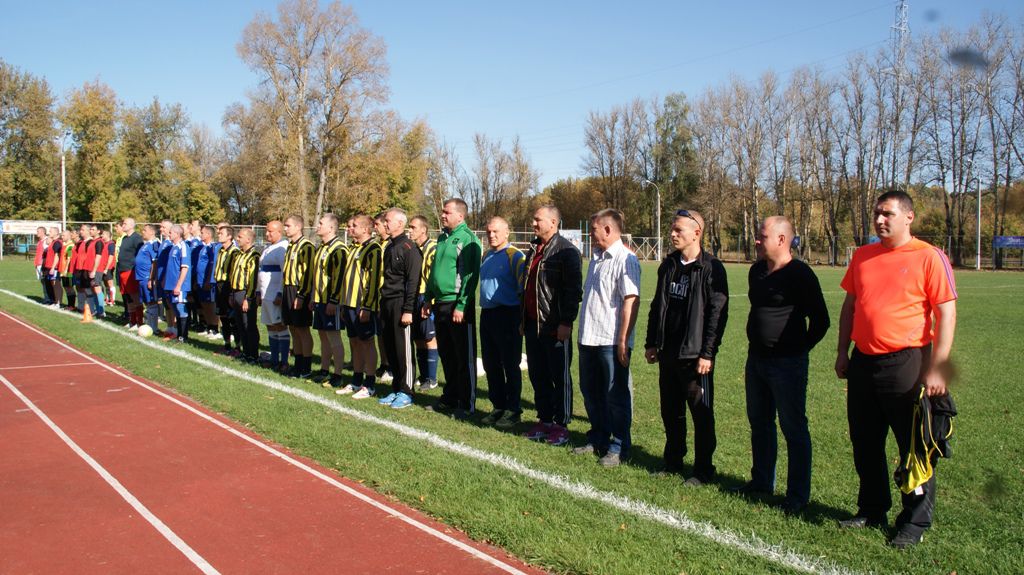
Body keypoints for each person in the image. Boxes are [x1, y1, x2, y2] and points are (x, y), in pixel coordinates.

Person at [835, 190, 958, 549]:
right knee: (865, 442)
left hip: (907, 362)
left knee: (913, 445)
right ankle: (872, 509)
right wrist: (843, 351)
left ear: (908, 217)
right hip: (863, 362)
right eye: (877, 213)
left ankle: (914, 520)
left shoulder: (928, 257)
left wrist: (939, 366)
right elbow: (850, 306)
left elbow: (946, 312)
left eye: (887, 214)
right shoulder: (863, 255)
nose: (879, 220)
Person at [733, 216, 830, 514]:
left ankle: (797, 495)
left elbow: (821, 321)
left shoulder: (800, 274)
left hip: (787, 365)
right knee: (760, 423)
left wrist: (798, 349)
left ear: (781, 240)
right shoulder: (756, 271)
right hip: (756, 361)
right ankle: (762, 481)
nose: (757, 240)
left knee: (793, 427)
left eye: (762, 236)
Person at [644, 209, 729, 486]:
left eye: (678, 229)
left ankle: (703, 470)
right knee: (670, 412)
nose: (672, 234)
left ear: (696, 233)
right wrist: (651, 342)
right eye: (672, 228)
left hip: (694, 357)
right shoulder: (668, 265)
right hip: (668, 352)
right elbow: (657, 305)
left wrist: (708, 352)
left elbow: (717, 314)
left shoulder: (711, 267)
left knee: (701, 415)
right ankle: (673, 462)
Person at [574, 209, 641, 466]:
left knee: (616, 396)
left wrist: (623, 340)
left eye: (593, 230)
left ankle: (619, 446)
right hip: (588, 338)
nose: (591, 235)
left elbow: (630, 301)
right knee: (591, 393)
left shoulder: (626, 259)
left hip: (611, 341)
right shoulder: (596, 258)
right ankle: (598, 437)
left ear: (608, 229)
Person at [521, 205, 582, 445]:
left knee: (560, 377)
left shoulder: (567, 251)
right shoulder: (533, 249)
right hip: (533, 325)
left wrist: (566, 321)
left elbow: (573, 291)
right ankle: (544, 420)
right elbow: (527, 288)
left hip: (554, 326)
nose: (533, 223)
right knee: (538, 376)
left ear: (553, 223)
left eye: (538, 220)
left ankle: (561, 424)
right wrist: (523, 319)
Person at [422, 198, 482, 420]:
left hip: (457, 304)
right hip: (440, 304)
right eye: (443, 212)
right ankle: (451, 397)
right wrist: (428, 298)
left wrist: (462, 305)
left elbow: (470, 276)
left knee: (463, 356)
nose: (443, 215)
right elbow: (434, 272)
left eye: (447, 212)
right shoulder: (442, 237)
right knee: (447, 354)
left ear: (460, 216)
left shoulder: (467, 239)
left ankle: (467, 403)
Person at [478, 216, 526, 428]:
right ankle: (498, 406)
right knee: (490, 364)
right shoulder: (487, 255)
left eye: (496, 231)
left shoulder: (515, 256)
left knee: (510, 364)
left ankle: (513, 409)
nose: (491, 235)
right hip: (487, 314)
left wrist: (522, 319)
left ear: (507, 232)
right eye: (489, 231)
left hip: (508, 315)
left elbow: (523, 291)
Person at [376, 208, 422, 409]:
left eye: (388, 221)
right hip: (386, 302)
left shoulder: (409, 248)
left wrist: (408, 309)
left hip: (401, 303)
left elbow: (413, 281)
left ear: (400, 224)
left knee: (403, 349)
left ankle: (407, 391)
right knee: (391, 347)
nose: (385, 224)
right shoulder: (390, 246)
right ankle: (396, 388)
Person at [338, 215, 382, 397]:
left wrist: (367, 306)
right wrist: (342, 304)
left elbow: (373, 280)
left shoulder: (373, 249)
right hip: (348, 303)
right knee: (355, 342)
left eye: (354, 226)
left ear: (365, 229)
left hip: (361, 305)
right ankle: (356, 381)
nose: (350, 228)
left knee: (367, 342)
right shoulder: (353, 247)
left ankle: (369, 384)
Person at [309, 214, 348, 388]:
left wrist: (334, 300)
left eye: (321, 223)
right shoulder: (321, 248)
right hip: (319, 301)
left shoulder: (339, 249)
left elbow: (339, 277)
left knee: (334, 337)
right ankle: (324, 371)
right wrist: (313, 296)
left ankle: (337, 374)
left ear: (331, 228)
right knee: (323, 336)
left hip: (331, 302)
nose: (317, 226)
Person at [282, 215, 316, 378]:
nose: (285, 228)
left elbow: (308, 273)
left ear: (298, 227)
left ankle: (306, 367)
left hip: (299, 290)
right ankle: (298, 364)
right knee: (293, 328)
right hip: (288, 289)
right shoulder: (291, 245)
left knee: (302, 329)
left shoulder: (306, 246)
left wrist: (302, 295)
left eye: (288, 225)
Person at [408, 215, 439, 391]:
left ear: (423, 230)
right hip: (414, 297)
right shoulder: (414, 248)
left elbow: (434, 277)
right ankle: (424, 375)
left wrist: (430, 301)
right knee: (418, 338)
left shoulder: (433, 248)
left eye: (413, 227)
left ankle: (432, 378)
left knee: (429, 338)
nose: (410, 230)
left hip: (426, 298)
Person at [260, 220, 290, 371]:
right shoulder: (267, 248)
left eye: (270, 231)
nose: (267, 234)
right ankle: (274, 359)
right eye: (266, 230)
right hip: (265, 294)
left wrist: (280, 293)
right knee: (270, 326)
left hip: (274, 295)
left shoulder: (282, 248)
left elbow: (285, 273)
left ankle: (283, 361)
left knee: (280, 326)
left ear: (279, 232)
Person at [230, 228, 261, 362]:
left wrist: (248, 298)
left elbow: (253, 279)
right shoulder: (239, 254)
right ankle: (246, 352)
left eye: (240, 236)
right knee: (240, 325)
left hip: (245, 294)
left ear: (248, 239)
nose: (237, 239)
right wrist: (232, 294)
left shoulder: (254, 256)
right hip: (236, 293)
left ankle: (253, 354)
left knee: (249, 324)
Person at [372, 212, 394, 385]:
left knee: (389, 334)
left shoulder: (392, 245)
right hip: (377, 296)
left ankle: (392, 367)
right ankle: (384, 363)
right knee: (380, 333)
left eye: (377, 224)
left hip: (388, 296)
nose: (376, 227)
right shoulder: (379, 244)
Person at [214, 225, 241, 355]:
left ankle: (238, 346)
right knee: (223, 316)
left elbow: (234, 272)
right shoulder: (221, 250)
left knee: (232, 318)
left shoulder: (234, 252)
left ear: (229, 236)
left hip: (228, 286)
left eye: (221, 233)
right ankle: (227, 345)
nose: (218, 235)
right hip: (219, 285)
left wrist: (231, 292)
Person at [164, 225, 192, 343]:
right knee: (176, 310)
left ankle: (183, 336)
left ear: (177, 234)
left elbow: (185, 267)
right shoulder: (173, 247)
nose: (169, 234)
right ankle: (179, 335)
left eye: (171, 232)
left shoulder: (183, 246)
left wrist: (179, 285)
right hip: (171, 285)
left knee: (181, 309)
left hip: (179, 286)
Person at [116, 218, 144, 330]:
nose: (123, 225)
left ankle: (139, 322)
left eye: (125, 224)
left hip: (130, 270)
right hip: (122, 270)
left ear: (132, 225)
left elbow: (140, 254)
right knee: (128, 297)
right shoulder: (124, 238)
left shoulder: (136, 238)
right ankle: (132, 321)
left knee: (134, 296)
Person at [194, 225, 220, 339]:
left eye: (203, 233)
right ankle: (209, 327)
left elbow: (211, 265)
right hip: (200, 280)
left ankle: (215, 329)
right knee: (204, 304)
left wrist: (209, 280)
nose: (201, 234)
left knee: (211, 305)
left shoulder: (212, 247)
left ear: (209, 234)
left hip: (207, 281)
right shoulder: (203, 247)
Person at [134, 225, 161, 333]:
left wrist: (151, 278)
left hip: (146, 277)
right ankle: (149, 324)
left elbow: (155, 262)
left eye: (145, 230)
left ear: (152, 232)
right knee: (147, 302)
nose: (142, 232)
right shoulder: (145, 244)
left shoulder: (154, 244)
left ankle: (153, 327)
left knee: (151, 301)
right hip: (141, 278)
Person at [42, 227, 63, 309]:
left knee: (56, 284)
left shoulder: (57, 243)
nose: (49, 232)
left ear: (56, 233)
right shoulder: (53, 242)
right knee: (53, 285)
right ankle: (55, 301)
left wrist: (53, 267)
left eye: (50, 231)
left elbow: (57, 256)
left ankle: (58, 303)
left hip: (54, 267)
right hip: (50, 266)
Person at [34, 226, 52, 304]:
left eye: (38, 231)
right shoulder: (39, 242)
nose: (37, 233)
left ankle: (48, 298)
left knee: (45, 281)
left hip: (42, 264)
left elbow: (48, 253)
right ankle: (46, 297)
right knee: (42, 281)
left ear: (43, 232)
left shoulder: (46, 241)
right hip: (38, 264)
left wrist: (43, 263)